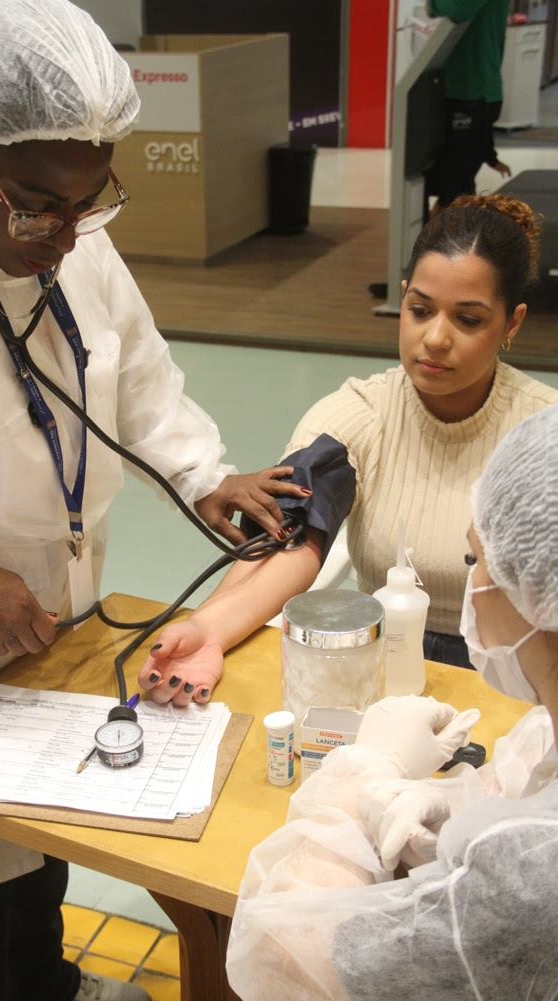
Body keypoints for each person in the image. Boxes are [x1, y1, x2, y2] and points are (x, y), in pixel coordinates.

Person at [0, 1, 308, 1001]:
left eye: (91, 198)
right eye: (39, 208)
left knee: (47, 820)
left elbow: (133, 364)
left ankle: (50, 987)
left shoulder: (53, 218)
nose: (69, 235)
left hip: (50, 579)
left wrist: (203, 467)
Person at [137, 192, 557, 707]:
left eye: (468, 320)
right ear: (402, 298)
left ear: (512, 323)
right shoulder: (357, 416)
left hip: (516, 677)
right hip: (387, 663)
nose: (436, 338)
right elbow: (290, 543)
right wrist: (208, 630)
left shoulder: (542, 434)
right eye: (420, 310)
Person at [225, 401, 558, 1001]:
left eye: (475, 561)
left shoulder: (533, 881)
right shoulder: (546, 731)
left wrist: (360, 776)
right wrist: (462, 809)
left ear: (538, 592)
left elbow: (286, 966)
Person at [426, 0, 512, 212]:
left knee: (455, 188)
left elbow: (459, 8)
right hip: (465, 89)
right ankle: (438, 237)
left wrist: (433, 5)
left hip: (471, 91)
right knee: (450, 183)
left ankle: (450, 241)